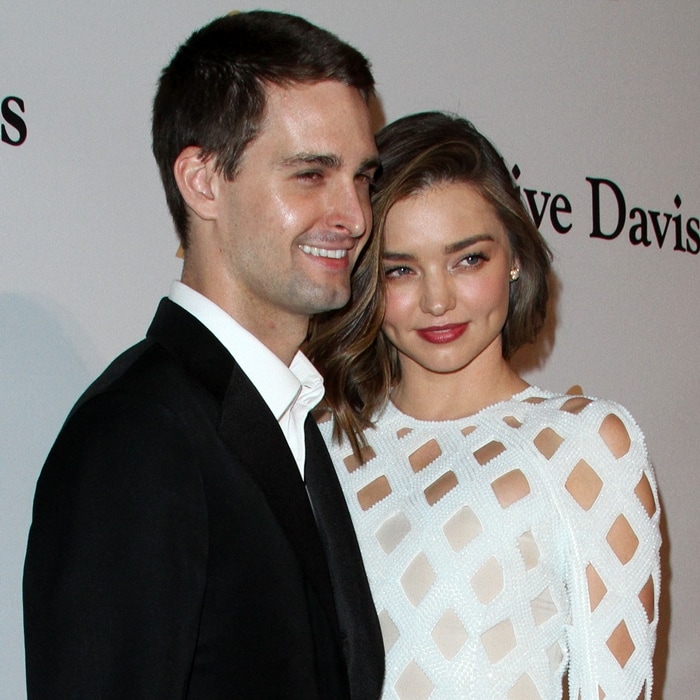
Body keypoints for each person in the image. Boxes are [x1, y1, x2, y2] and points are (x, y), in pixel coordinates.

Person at [23, 11, 384, 699]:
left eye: (362, 177)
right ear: (203, 181)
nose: (355, 215)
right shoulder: (137, 435)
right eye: (311, 175)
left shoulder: (288, 419)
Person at [307, 111, 661, 699]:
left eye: (468, 259)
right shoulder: (320, 442)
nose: (438, 300)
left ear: (514, 257)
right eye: (401, 270)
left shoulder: (583, 443)